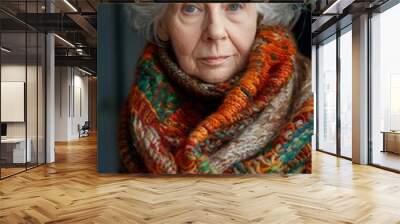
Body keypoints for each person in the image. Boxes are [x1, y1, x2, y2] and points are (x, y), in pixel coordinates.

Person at [118, 3, 313, 174]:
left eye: (234, 6)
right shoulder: (139, 112)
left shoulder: (310, 96)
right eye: (190, 8)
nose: (215, 32)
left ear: (259, 16)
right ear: (162, 24)